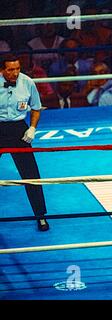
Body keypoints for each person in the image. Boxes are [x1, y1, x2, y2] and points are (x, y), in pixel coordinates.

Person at [0, 54, 49, 231]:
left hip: (18, 129)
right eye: (10, 69)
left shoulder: (27, 82)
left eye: (17, 69)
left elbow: (36, 108)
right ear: (2, 70)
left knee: (31, 174)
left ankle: (41, 215)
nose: (15, 73)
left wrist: (32, 128)